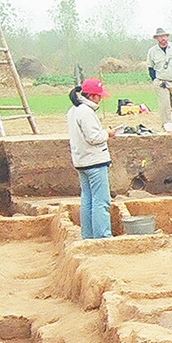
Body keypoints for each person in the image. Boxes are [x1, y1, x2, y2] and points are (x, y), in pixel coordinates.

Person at [67, 78, 115, 240]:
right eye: (99, 96)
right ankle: (103, 236)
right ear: (92, 96)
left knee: (87, 199)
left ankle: (87, 235)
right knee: (101, 201)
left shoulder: (73, 110)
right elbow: (94, 137)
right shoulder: (86, 112)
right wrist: (107, 133)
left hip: (81, 161)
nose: (100, 99)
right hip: (94, 161)